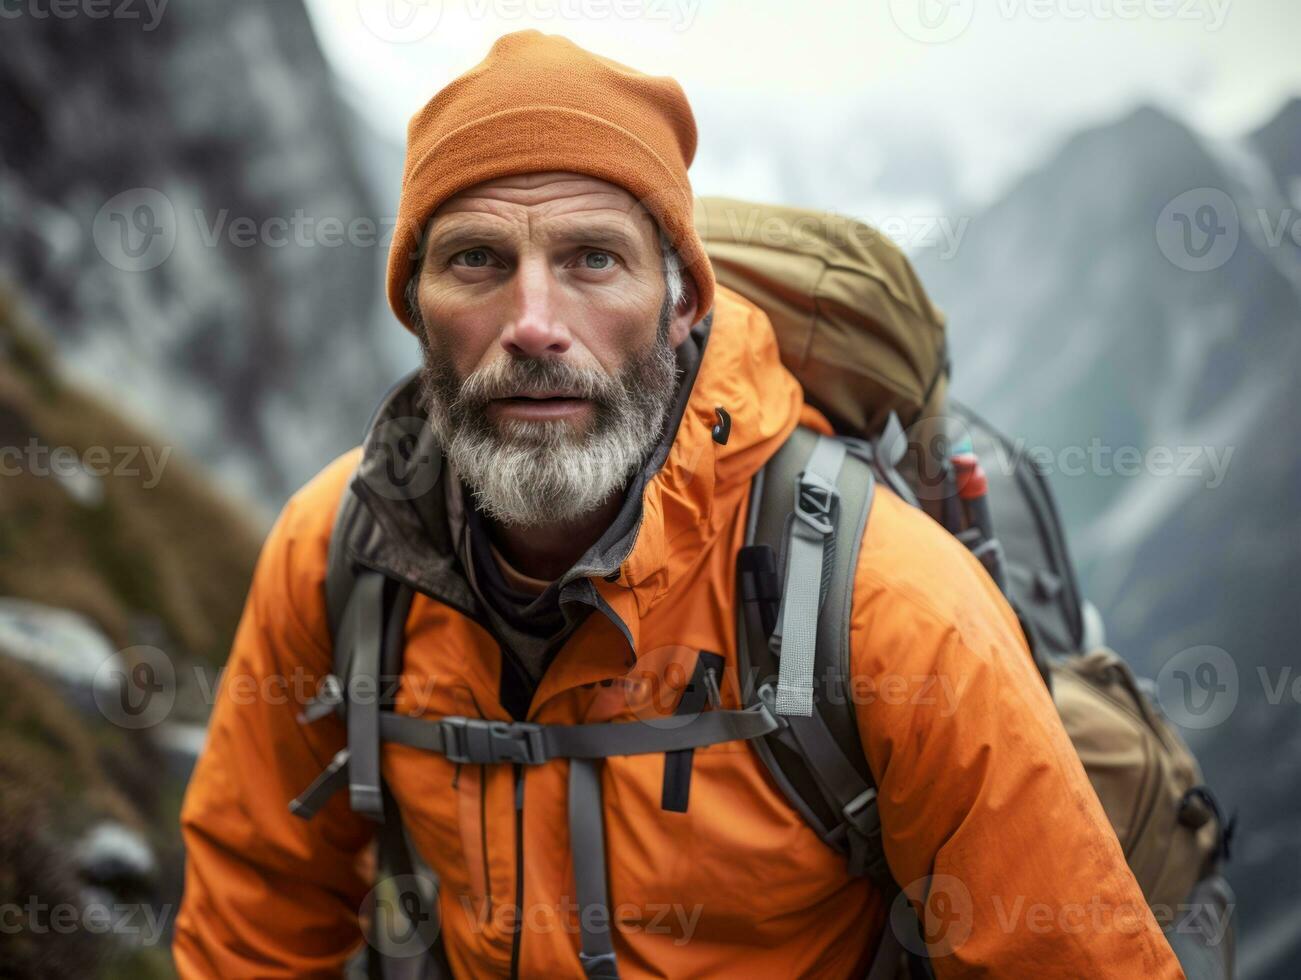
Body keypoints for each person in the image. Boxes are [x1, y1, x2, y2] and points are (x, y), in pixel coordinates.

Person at [173, 30, 1184, 978]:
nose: (532, 324)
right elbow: (256, 909)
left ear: (682, 299)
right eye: (475, 258)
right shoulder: (337, 551)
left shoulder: (888, 605)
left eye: (592, 258)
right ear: (413, 305)